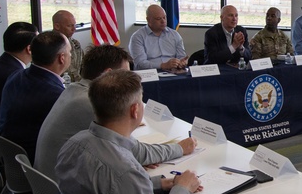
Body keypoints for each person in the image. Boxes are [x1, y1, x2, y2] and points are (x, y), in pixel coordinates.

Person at [55, 69, 242, 194]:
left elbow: (110, 191)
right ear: (135, 110)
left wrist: (159, 183)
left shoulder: (73, 144)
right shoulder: (124, 170)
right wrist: (182, 190)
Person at [35, 45, 195, 181]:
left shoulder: (75, 90)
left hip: (59, 183)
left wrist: (134, 155)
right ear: (108, 75)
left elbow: (126, 150)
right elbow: (136, 151)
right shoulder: (90, 101)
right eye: (126, 74)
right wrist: (179, 149)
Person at [0, 30, 69, 161]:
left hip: (10, 155)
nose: (71, 55)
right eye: (69, 52)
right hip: (35, 160)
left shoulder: (16, 76)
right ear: (62, 58)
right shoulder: (55, 95)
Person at [129, 5, 186, 71]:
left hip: (173, 71)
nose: (163, 21)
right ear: (148, 20)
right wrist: (163, 65)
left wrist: (182, 62)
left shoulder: (174, 35)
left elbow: (181, 57)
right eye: (158, 19)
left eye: (164, 17)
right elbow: (140, 64)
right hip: (150, 73)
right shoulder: (138, 37)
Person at [52, 10, 83, 83]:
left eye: (74, 25)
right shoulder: (47, 45)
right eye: (69, 26)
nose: (74, 29)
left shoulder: (75, 44)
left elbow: (83, 67)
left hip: (76, 85)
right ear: (57, 26)